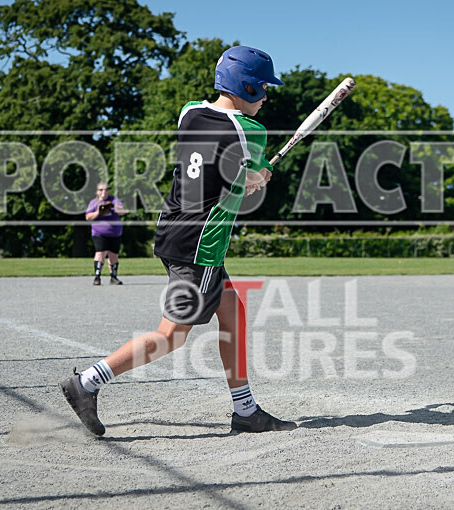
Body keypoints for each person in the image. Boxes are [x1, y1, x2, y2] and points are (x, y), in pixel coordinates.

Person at [60, 45, 295, 435]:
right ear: (247, 86)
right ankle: (85, 383)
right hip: (200, 246)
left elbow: (223, 168)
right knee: (171, 336)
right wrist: (260, 175)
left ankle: (246, 409)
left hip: (174, 228)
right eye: (262, 88)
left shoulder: (190, 111)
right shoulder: (250, 130)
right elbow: (250, 172)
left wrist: (249, 176)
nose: (266, 96)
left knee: (231, 314)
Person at [85, 183, 126, 285]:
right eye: (101, 190)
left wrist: (112, 206)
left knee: (114, 255)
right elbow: (88, 217)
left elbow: (123, 211)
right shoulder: (94, 202)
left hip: (115, 233)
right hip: (99, 232)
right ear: (97, 191)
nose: (104, 192)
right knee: (100, 253)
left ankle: (113, 277)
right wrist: (98, 212)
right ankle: (97, 276)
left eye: (106, 189)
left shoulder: (113, 200)